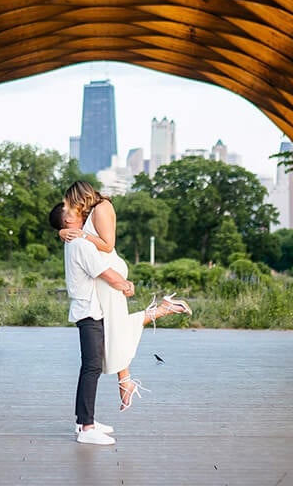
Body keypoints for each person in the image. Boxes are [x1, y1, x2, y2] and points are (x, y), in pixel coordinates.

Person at [59, 181, 192, 411]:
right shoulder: (91, 212)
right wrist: (63, 232)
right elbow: (73, 229)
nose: (70, 208)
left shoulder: (102, 207)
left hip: (107, 271)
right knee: (114, 328)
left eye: (71, 202)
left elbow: (108, 245)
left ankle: (126, 380)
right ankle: (126, 380)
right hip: (101, 274)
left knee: (115, 328)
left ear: (80, 197)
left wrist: (82, 234)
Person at [50, 201, 133, 445]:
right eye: (71, 209)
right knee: (92, 367)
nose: (79, 210)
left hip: (87, 310)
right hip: (89, 312)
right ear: (68, 221)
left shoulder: (73, 242)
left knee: (89, 367)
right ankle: (87, 428)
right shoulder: (80, 244)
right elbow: (104, 272)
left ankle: (84, 421)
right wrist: (126, 285)